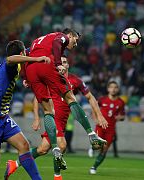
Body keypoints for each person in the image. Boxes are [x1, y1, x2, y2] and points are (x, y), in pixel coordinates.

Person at [22, 28, 107, 179]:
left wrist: (25, 75)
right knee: (71, 99)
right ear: (71, 35)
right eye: (76, 41)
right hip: (46, 64)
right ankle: (91, 134)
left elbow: (25, 54)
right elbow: (57, 42)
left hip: (31, 68)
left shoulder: (38, 41)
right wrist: (57, 63)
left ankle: (54, 148)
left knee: (48, 111)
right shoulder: (60, 37)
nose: (75, 44)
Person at [6, 56, 107, 180]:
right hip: (53, 119)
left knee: (42, 149)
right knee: (62, 145)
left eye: (65, 62)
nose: (62, 64)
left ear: (68, 65)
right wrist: (37, 118)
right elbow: (38, 98)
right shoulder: (49, 78)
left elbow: (90, 97)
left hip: (63, 121)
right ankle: (57, 177)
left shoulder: (75, 81)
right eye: (60, 62)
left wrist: (99, 115)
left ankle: (14, 164)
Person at [0, 40, 50, 180]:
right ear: (22, 54)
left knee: (24, 146)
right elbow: (10, 59)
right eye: (24, 53)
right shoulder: (11, 65)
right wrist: (36, 59)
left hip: (2, 116)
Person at [89, 81, 125, 175]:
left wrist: (119, 117)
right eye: (111, 87)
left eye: (115, 87)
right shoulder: (102, 99)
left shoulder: (121, 102)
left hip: (111, 129)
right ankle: (92, 147)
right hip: (100, 126)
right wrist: (95, 118)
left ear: (118, 89)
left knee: (104, 149)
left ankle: (94, 167)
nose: (113, 89)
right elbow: (94, 107)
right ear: (108, 89)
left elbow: (123, 116)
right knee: (97, 146)